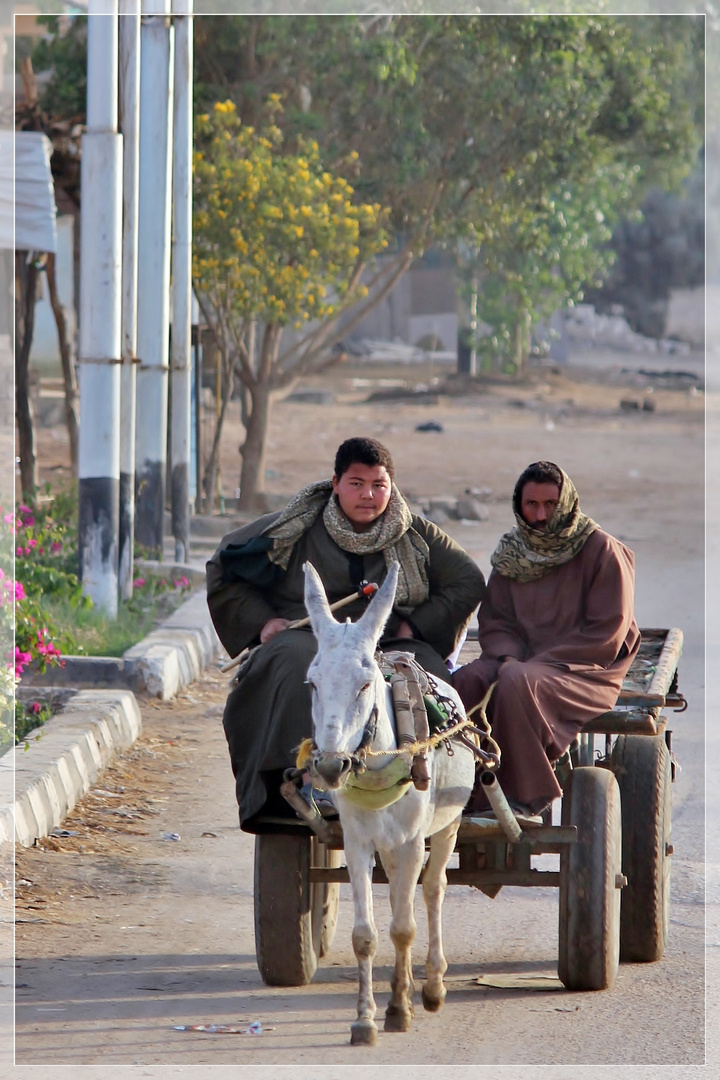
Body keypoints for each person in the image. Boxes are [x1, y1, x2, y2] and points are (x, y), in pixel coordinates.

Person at [207, 436, 486, 830]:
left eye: (378, 485)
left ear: (392, 486)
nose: (368, 495)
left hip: (387, 641)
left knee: (426, 675)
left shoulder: (415, 534)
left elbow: (467, 581)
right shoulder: (295, 524)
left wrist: (416, 625)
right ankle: (307, 781)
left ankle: (430, 785)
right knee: (292, 663)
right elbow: (224, 564)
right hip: (309, 635)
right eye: (356, 484)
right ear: (335, 483)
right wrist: (262, 622)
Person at [452, 461, 640, 818]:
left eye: (550, 505)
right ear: (518, 505)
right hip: (520, 662)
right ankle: (463, 792)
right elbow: (496, 619)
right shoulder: (513, 552)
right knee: (465, 682)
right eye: (531, 505)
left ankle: (523, 795)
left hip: (584, 669)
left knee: (515, 681)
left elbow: (608, 632)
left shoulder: (602, 550)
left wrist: (531, 664)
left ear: (566, 502)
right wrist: (508, 655)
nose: (540, 515)